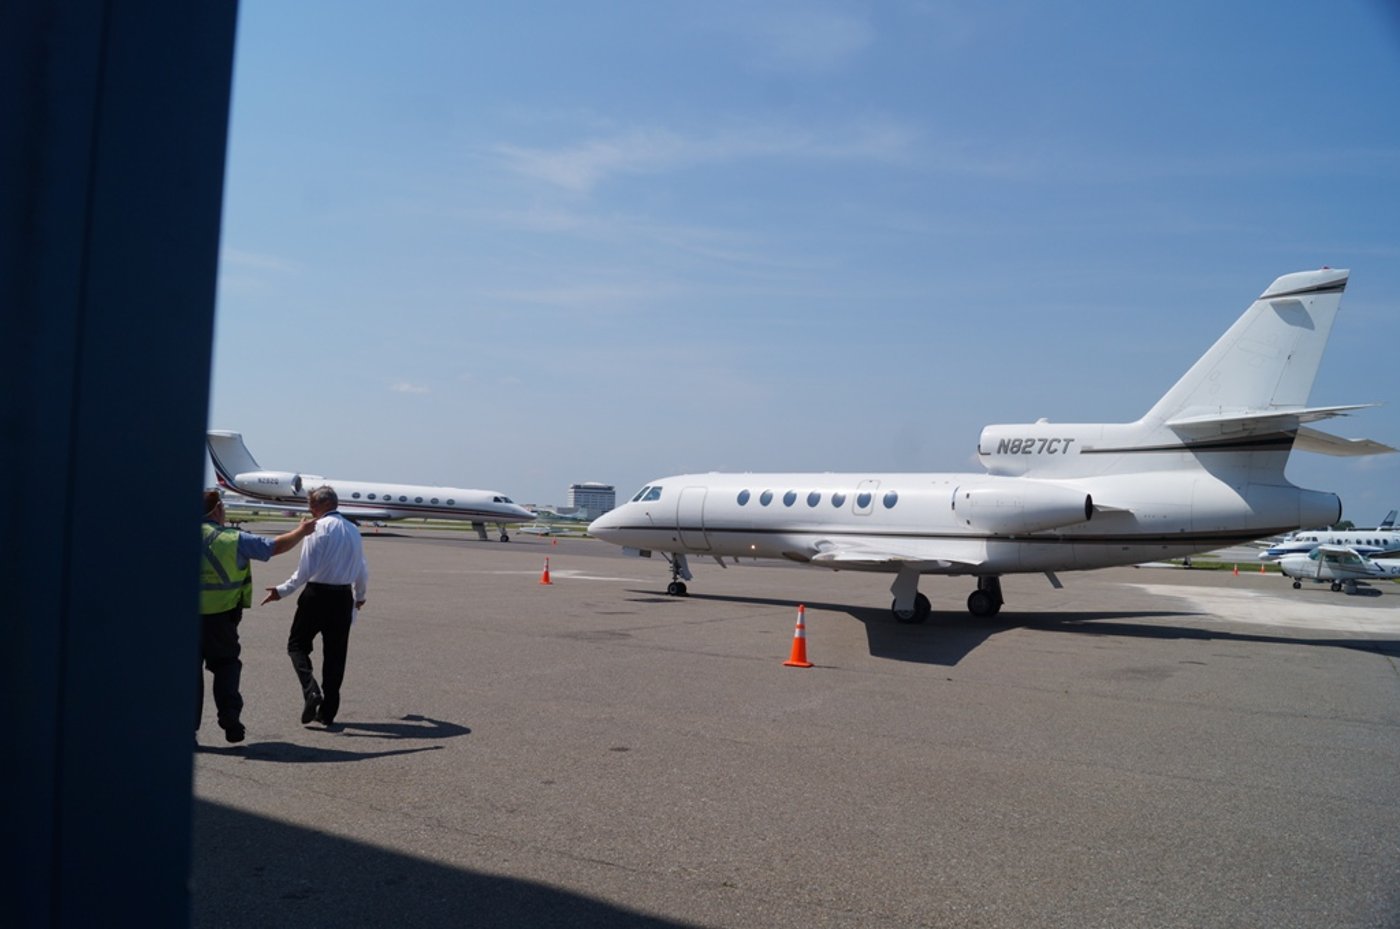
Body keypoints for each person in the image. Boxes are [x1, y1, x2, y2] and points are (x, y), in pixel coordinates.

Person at [200, 490, 315, 743]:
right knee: (226, 667)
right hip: (221, 618)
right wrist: (301, 531)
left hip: (180, 621)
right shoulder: (233, 539)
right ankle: (230, 717)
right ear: (217, 509)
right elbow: (274, 547)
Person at [262, 485, 369, 728]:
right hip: (343, 597)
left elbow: (305, 569)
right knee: (335, 655)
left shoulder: (317, 528)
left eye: (312, 505)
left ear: (323, 505)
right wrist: (360, 595)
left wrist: (282, 590)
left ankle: (310, 689)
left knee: (297, 645)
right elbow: (362, 567)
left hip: (317, 595)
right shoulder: (353, 529)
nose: (309, 510)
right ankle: (328, 712)